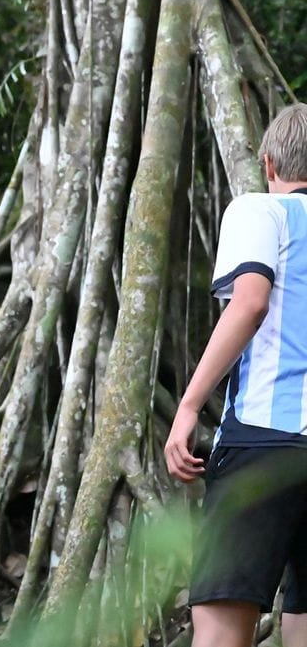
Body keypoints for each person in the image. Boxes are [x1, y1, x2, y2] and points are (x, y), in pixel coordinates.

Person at [165, 103, 307, 647]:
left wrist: (187, 406)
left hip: (263, 445)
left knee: (223, 628)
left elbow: (249, 303)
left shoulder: (259, 210)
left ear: (269, 163)